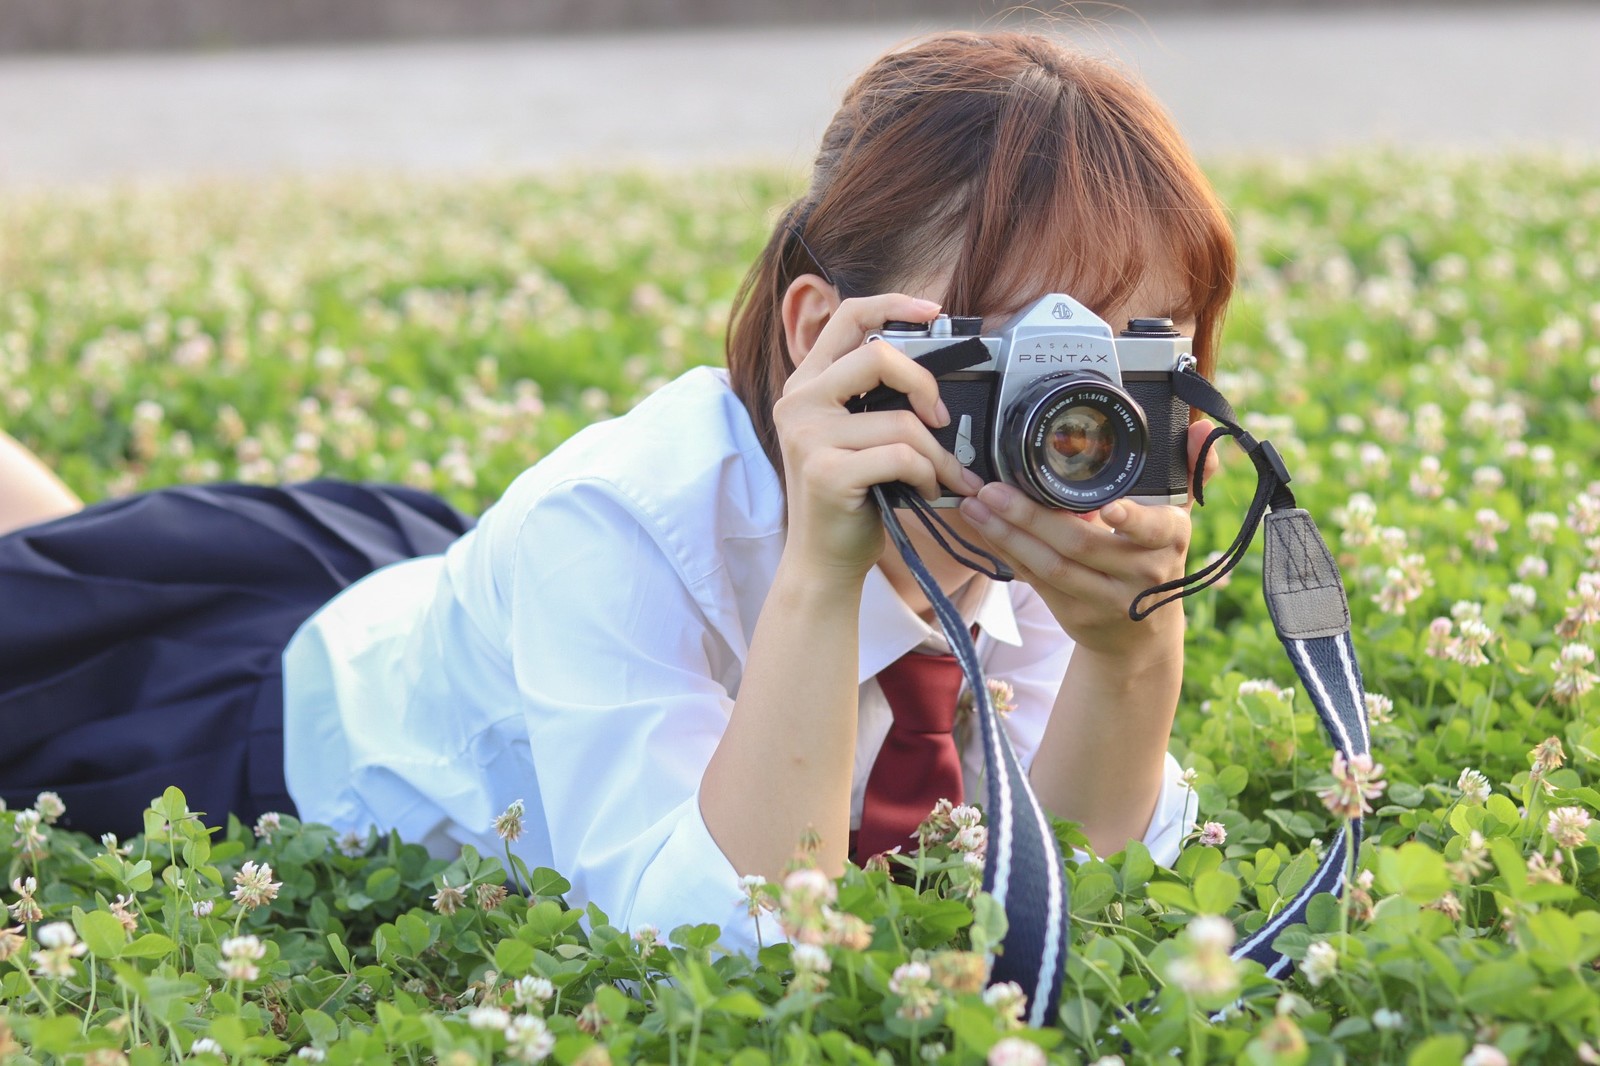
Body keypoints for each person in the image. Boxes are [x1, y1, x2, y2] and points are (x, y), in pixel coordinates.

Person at [0, 29, 1232, 952]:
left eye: (1133, 350)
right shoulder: (620, 522)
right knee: (55, 616)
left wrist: (1130, 657)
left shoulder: (1028, 522)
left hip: (433, 589)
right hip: (277, 716)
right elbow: (734, 938)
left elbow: (1077, 893)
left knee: (70, 558)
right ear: (825, 336)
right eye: (1011, 351)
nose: (1071, 417)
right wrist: (821, 571)